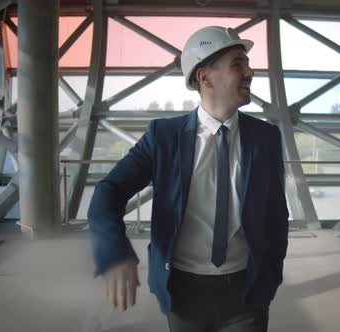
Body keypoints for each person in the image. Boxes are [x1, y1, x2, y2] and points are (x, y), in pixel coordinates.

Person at [88, 26, 289, 332]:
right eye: (238, 64)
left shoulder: (266, 138)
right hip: (182, 294)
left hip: (246, 293)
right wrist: (114, 251)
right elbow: (108, 193)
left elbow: (276, 215)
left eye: (247, 63)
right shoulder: (163, 138)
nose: (250, 72)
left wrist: (271, 277)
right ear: (204, 77)